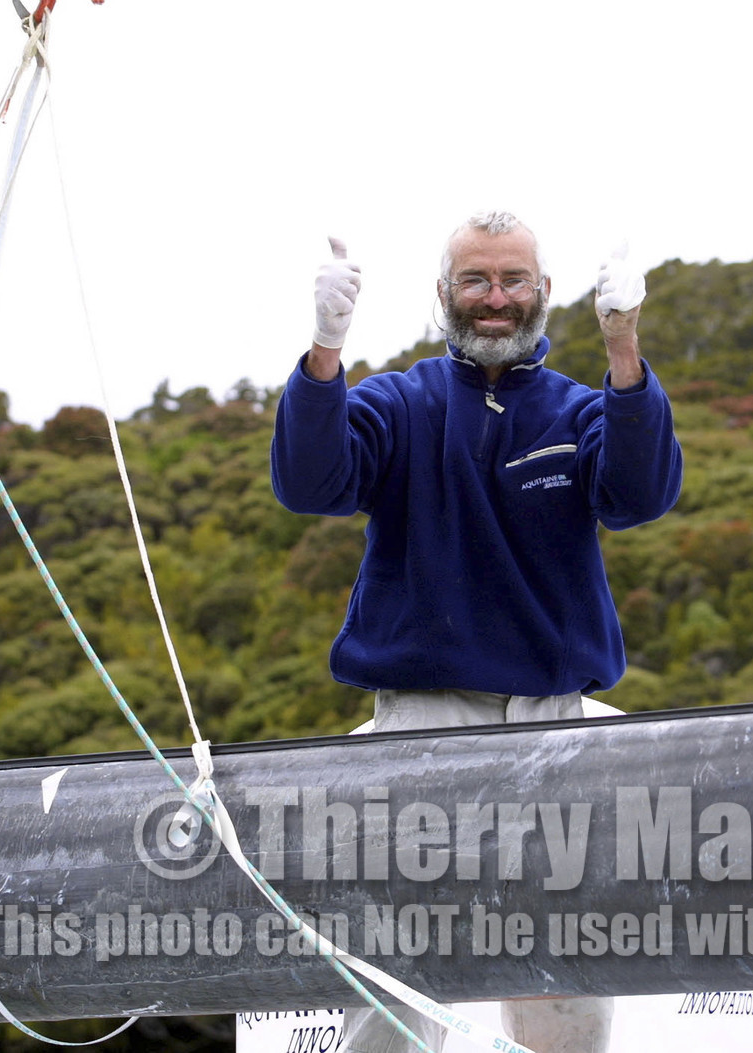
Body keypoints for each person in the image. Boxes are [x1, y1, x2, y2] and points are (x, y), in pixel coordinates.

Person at [270, 210, 683, 1053]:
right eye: (476, 280)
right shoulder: (400, 401)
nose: (495, 298)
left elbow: (639, 494)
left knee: (565, 968)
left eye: (513, 280)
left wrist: (624, 350)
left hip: (553, 727)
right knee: (397, 965)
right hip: (421, 728)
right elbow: (311, 482)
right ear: (445, 294)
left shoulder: (578, 409)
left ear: (543, 293)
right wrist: (323, 353)